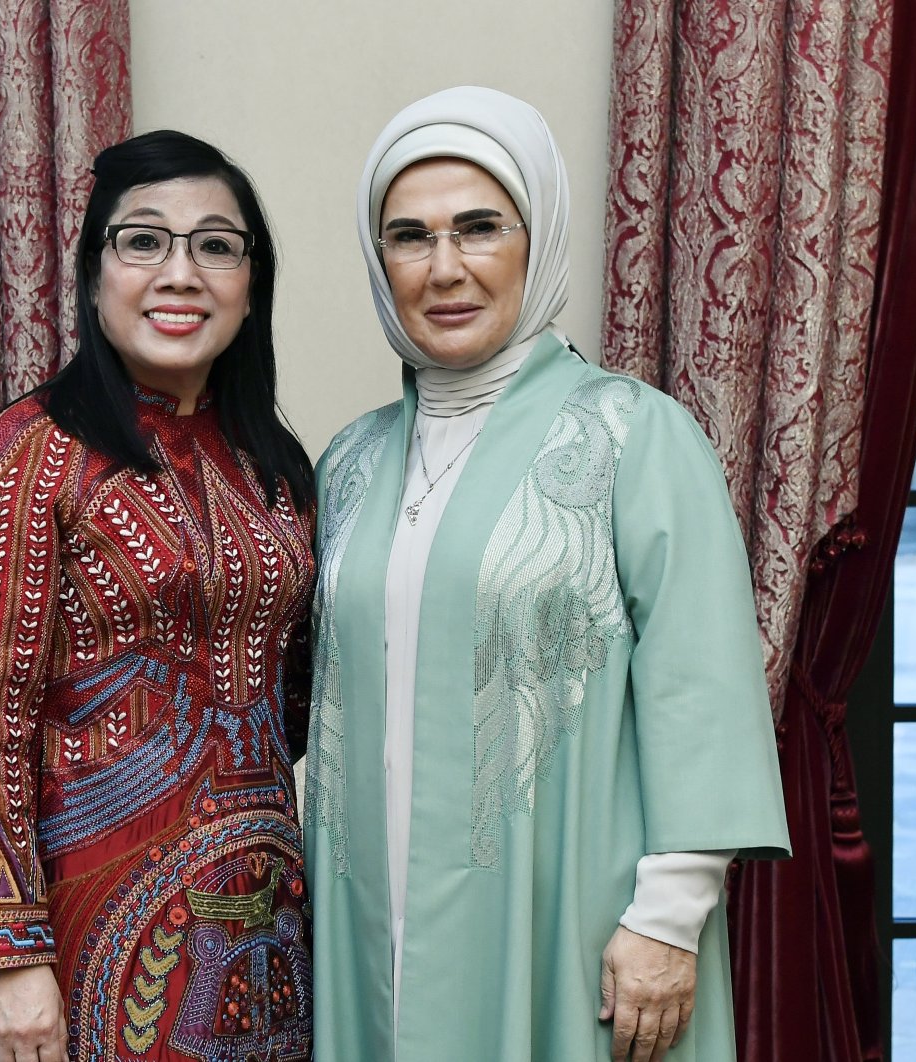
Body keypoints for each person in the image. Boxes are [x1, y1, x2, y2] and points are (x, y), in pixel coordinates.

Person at [304, 86, 790, 1062]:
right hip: (368, 916)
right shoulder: (349, 462)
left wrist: (670, 915)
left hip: (573, 915)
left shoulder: (633, 434)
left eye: (479, 227)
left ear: (539, 237)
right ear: (377, 259)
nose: (444, 268)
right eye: (409, 236)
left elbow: (703, 683)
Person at [0, 130, 316, 1062]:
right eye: (142, 241)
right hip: (81, 928)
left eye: (216, 245)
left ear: (251, 283)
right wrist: (6, 956)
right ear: (94, 272)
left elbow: (295, 699)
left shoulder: (276, 467)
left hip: (270, 920)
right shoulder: (29, 451)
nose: (180, 273)